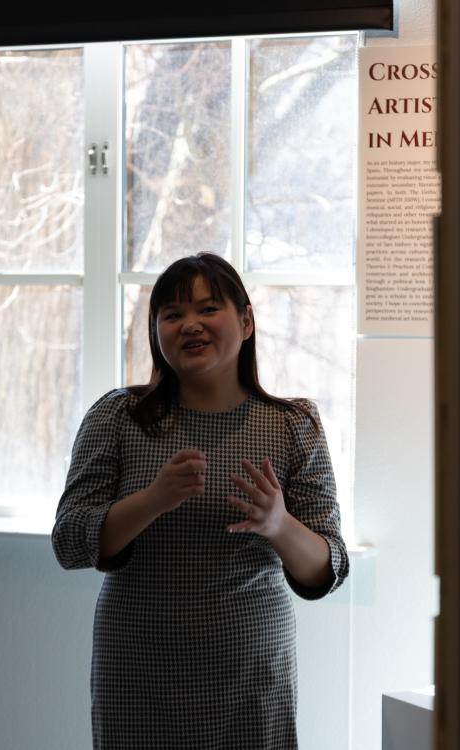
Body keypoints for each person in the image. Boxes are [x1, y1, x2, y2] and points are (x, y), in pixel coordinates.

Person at [52, 252, 349, 749]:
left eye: (208, 309)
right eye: (171, 315)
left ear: (246, 319)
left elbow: (329, 567)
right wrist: (153, 500)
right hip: (138, 668)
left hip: (250, 672)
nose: (190, 324)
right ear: (155, 330)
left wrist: (279, 524)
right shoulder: (118, 417)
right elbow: (69, 542)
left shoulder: (293, 425)